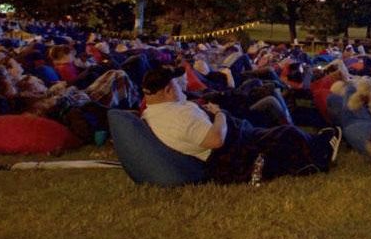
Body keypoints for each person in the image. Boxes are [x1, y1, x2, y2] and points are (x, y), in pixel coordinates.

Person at [140, 65, 341, 184]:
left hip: (230, 141)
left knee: (275, 131)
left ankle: (318, 140)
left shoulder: (155, 112)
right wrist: (219, 114)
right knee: (286, 134)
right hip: (230, 151)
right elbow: (216, 140)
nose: (181, 85)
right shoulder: (179, 116)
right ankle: (324, 148)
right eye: (176, 83)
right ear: (167, 90)